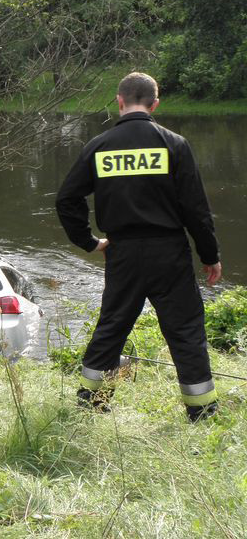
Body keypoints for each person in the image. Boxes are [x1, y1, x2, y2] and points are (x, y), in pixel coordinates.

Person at [55, 71, 222, 422]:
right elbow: (196, 211)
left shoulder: (98, 146)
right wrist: (210, 256)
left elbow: (67, 200)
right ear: (155, 104)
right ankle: (202, 413)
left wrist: (89, 242)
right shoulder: (173, 144)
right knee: (186, 331)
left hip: (123, 253)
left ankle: (91, 406)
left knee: (112, 327)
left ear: (119, 101)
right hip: (169, 253)